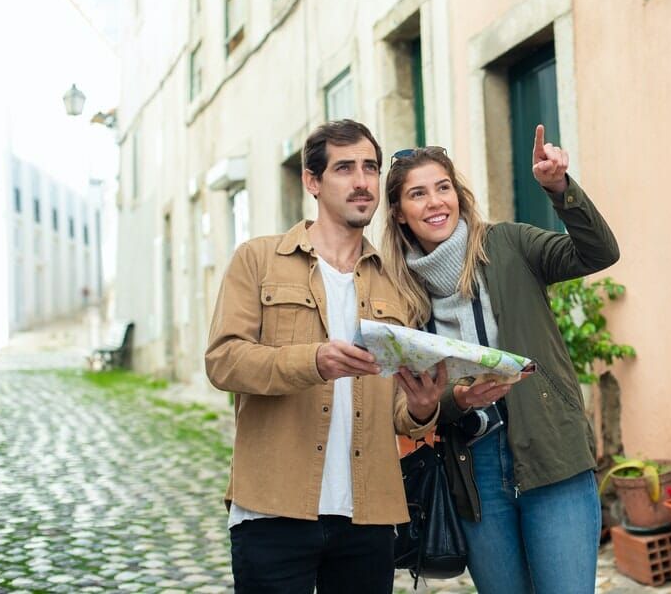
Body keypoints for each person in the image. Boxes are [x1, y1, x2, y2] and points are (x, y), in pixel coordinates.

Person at [205, 119, 448, 594]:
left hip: (368, 516)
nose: (362, 181)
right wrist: (313, 362)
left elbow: (400, 411)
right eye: (344, 168)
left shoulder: (398, 284)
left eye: (370, 168)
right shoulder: (258, 260)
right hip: (273, 508)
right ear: (312, 181)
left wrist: (422, 408)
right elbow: (223, 361)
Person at [381, 125, 620, 594]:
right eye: (418, 194)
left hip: (550, 452)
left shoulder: (508, 245)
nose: (435, 202)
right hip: (475, 472)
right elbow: (408, 406)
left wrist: (559, 188)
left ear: (458, 195)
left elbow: (597, 253)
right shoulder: (397, 294)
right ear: (399, 212)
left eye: (443, 188)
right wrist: (458, 400)